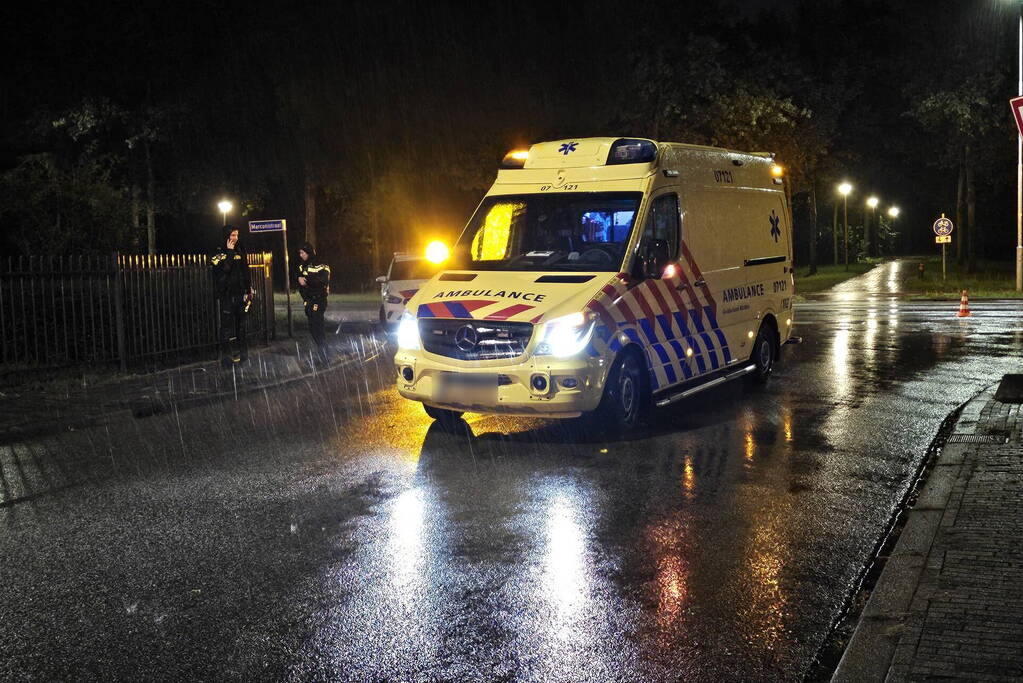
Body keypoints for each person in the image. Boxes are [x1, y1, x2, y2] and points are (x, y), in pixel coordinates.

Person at [211, 225, 254, 367]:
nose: (235, 238)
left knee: (241, 327)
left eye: (237, 235)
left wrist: (248, 290)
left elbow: (245, 270)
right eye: (232, 235)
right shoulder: (218, 252)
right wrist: (229, 253)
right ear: (226, 236)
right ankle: (227, 359)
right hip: (227, 296)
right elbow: (225, 269)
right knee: (226, 329)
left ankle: (243, 355)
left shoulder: (240, 249)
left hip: (240, 295)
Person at [297, 242, 331, 360]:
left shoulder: (321, 265)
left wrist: (307, 282)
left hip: (319, 300)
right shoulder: (302, 266)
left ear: (308, 252)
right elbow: (301, 284)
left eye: (302, 253)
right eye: (300, 253)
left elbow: (322, 282)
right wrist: (305, 298)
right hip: (309, 300)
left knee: (318, 327)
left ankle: (325, 356)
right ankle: (323, 354)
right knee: (313, 328)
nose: (301, 255)